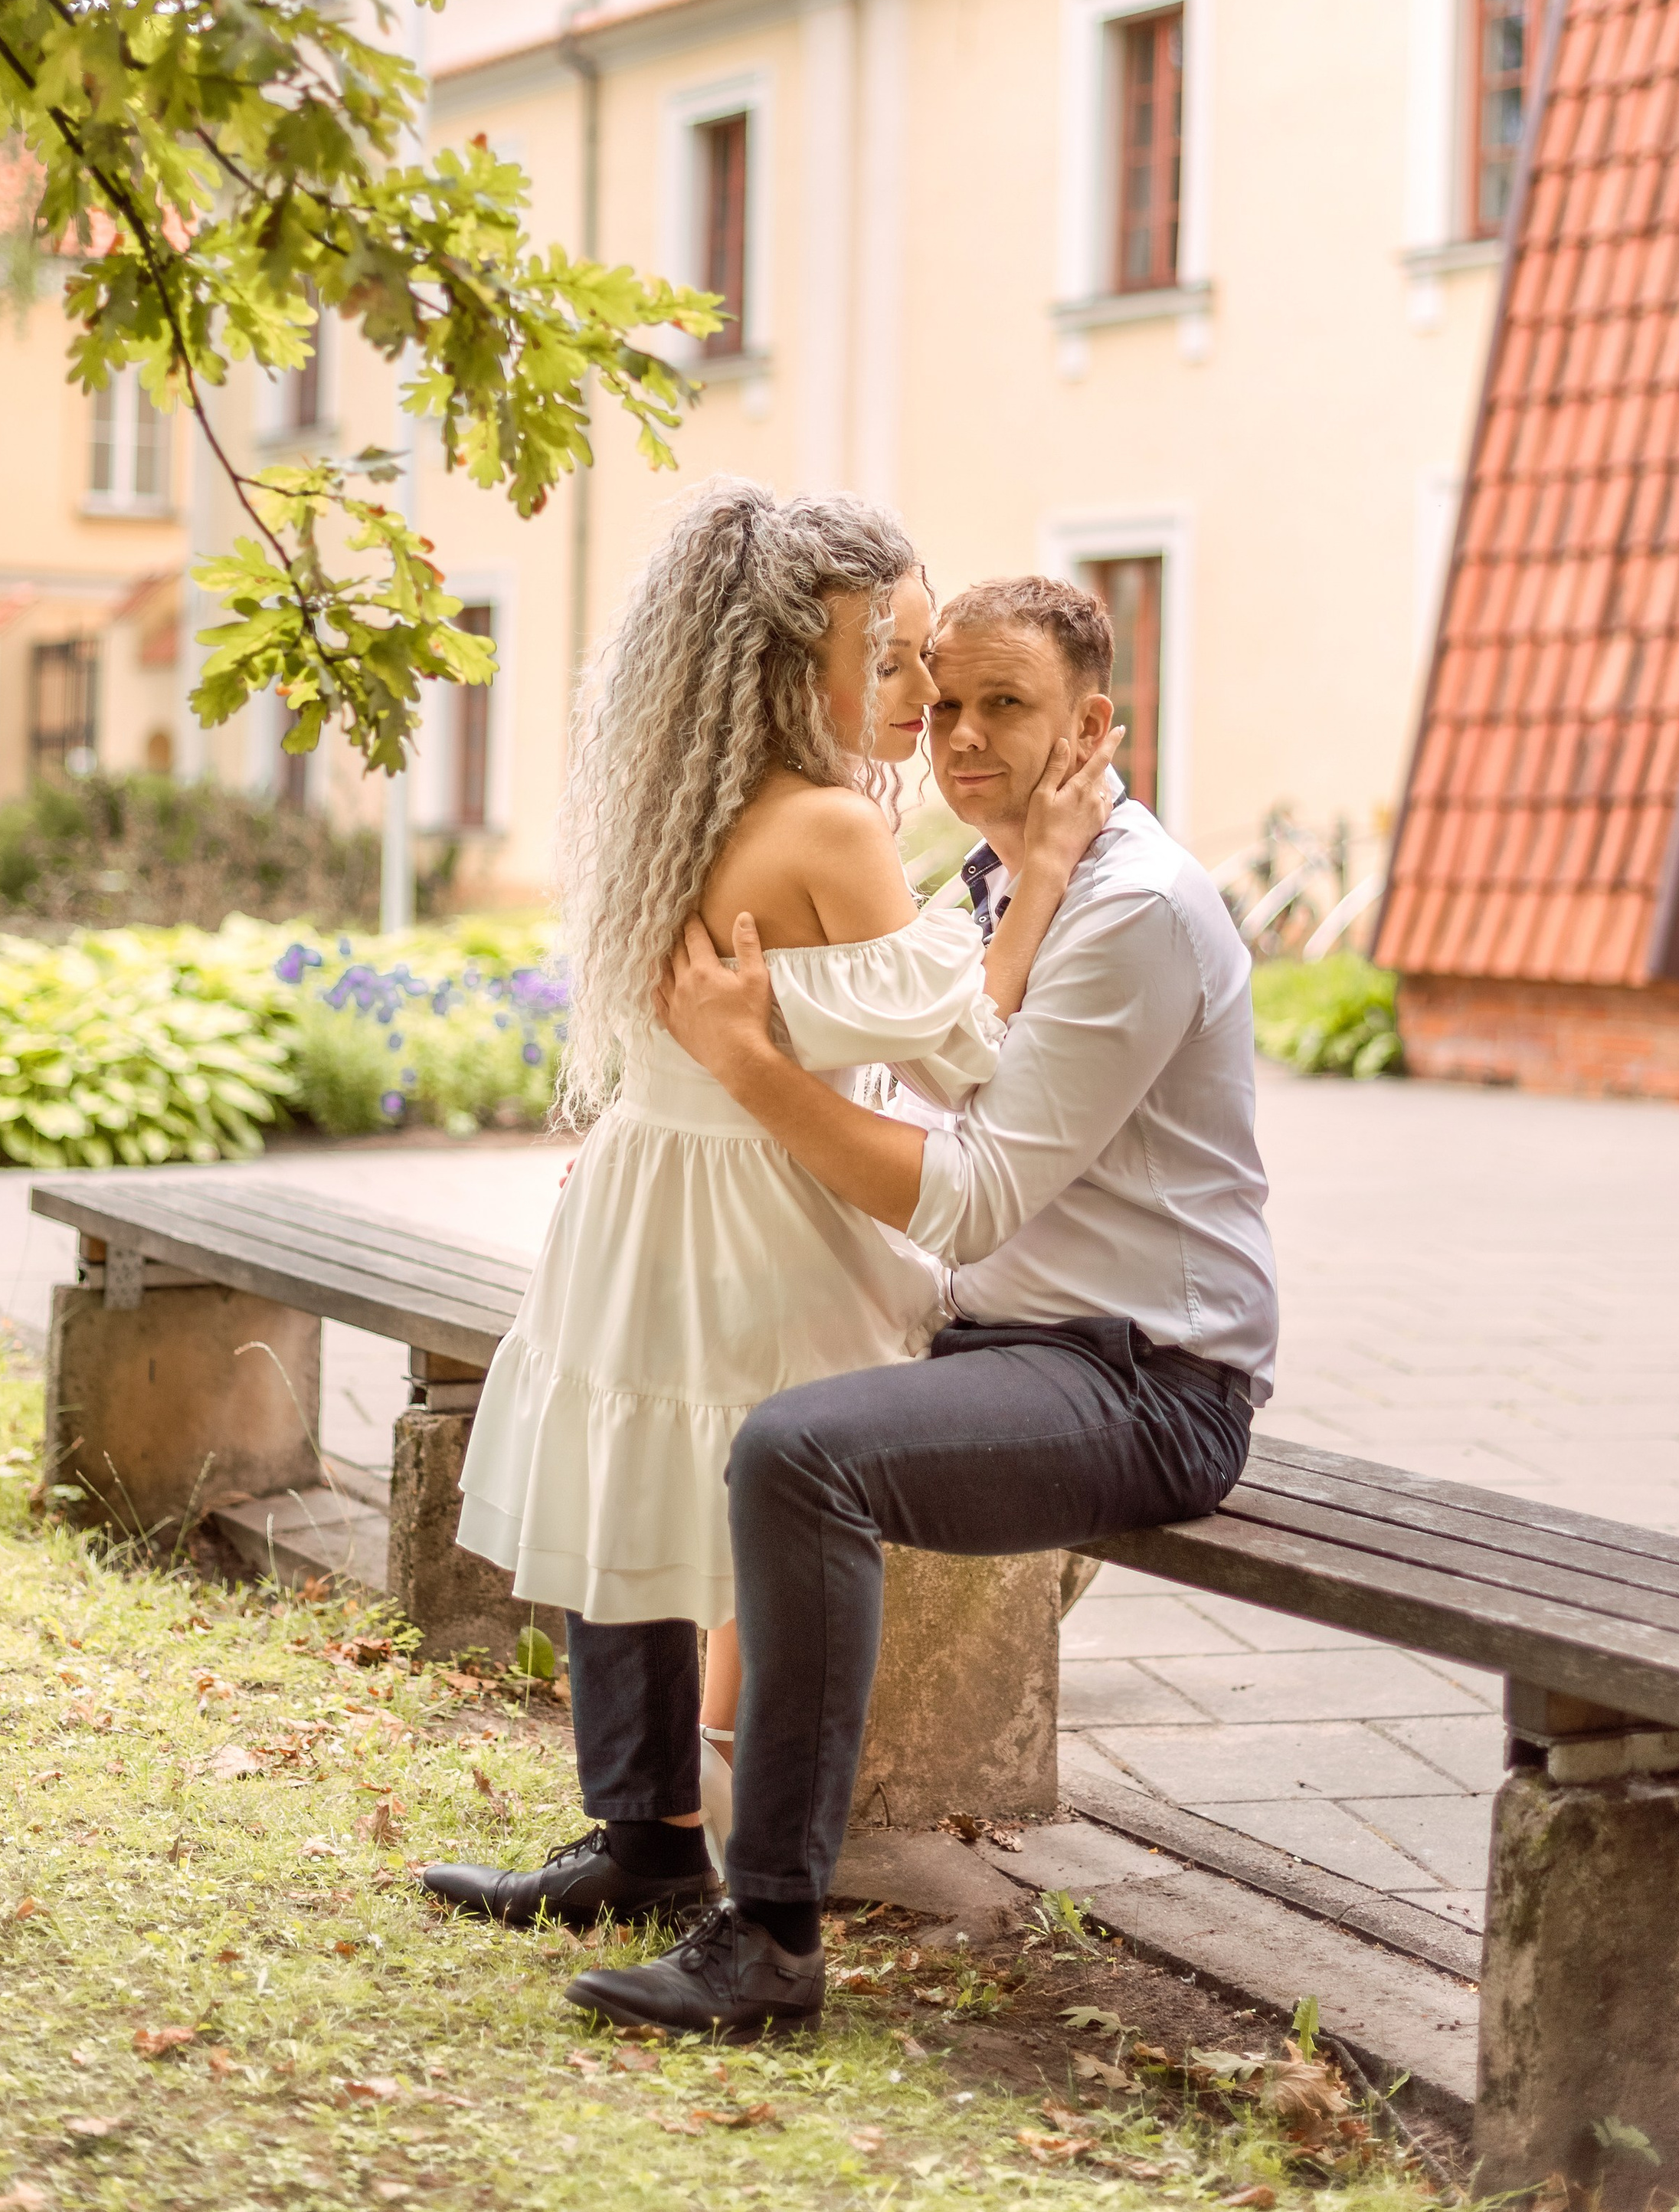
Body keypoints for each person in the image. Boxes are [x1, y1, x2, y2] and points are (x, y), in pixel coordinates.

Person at [557, 572, 1276, 2037]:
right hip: (996, 1338)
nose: (955, 733)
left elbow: (971, 1190)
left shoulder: (1133, 906)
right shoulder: (1001, 881)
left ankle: (768, 1937)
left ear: (1094, 724)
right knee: (656, 1354)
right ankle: (642, 1835)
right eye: (941, 700)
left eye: (1003, 704)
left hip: (1143, 1379)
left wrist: (750, 1063)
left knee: (794, 1450)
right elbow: (936, 1075)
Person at [422, 489, 1117, 1935]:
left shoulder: (682, 802)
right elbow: (961, 1039)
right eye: (897, 656)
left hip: (644, 1186)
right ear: (795, 655)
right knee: (762, 1503)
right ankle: (741, 1866)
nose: (926, 698)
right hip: (759, 1213)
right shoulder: (825, 829)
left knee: (628, 1492)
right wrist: (1039, 879)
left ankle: (644, 1837)